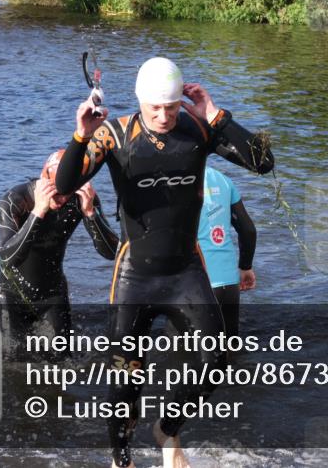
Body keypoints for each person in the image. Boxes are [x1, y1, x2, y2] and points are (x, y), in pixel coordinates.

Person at [54, 57, 274, 468]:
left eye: (171, 107)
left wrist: (217, 116)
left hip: (184, 272)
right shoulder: (114, 134)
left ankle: (167, 430)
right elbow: (65, 185)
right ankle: (122, 460)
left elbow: (263, 162)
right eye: (155, 108)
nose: (164, 116)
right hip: (135, 275)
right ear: (140, 101)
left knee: (216, 362)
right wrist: (80, 137)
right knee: (125, 379)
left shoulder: (198, 129)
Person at [0, 150, 118, 359]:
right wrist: (37, 212)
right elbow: (7, 258)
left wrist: (90, 214)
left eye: (67, 192)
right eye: (55, 191)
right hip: (10, 293)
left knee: (61, 363)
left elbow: (111, 252)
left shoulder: (82, 199)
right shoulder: (15, 200)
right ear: (44, 179)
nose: (61, 199)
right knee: (12, 364)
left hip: (52, 293)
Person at [197, 165, 257, 338]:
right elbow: (248, 230)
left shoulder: (174, 181)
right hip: (229, 284)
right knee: (230, 348)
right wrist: (245, 267)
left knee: (189, 353)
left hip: (196, 282)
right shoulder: (222, 179)